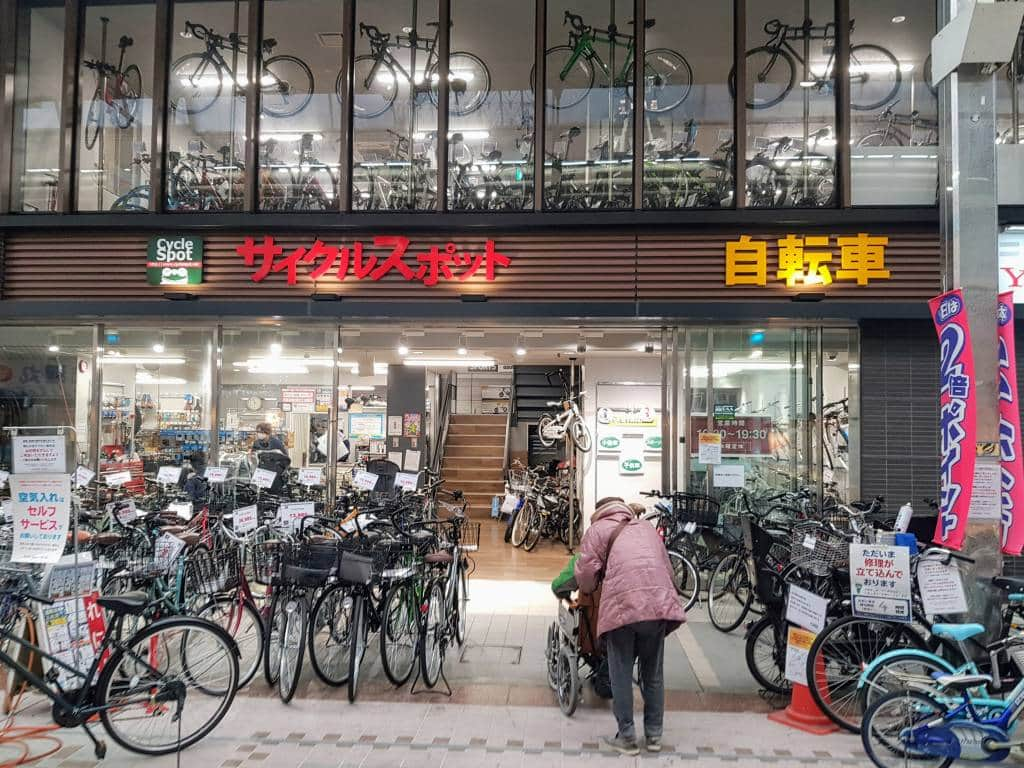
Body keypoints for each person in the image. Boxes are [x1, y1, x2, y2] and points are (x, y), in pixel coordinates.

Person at [574, 497, 685, 756]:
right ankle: (654, 735)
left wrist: (590, 587)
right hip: (656, 606)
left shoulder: (597, 530)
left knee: (620, 673)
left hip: (623, 606)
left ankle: (627, 737)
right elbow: (668, 569)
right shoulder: (645, 528)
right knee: (653, 673)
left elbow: (586, 577)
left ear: (599, 513)